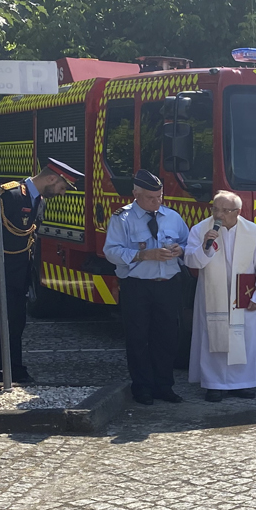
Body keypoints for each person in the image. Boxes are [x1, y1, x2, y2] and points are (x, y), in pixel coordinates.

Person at [0, 159, 81, 384]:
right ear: (51, 178)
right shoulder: (9, 194)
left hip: (21, 273)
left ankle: (14, 367)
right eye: (62, 187)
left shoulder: (39, 200)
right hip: (1, 270)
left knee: (16, 322)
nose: (62, 193)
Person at [103, 170, 189, 405]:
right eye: (151, 198)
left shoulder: (172, 217)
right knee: (138, 337)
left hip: (168, 285)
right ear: (136, 194)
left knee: (167, 338)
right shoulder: (122, 218)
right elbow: (111, 252)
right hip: (137, 286)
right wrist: (143, 254)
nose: (157, 202)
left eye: (160, 197)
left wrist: (180, 250)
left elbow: (187, 242)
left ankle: (165, 385)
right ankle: (142, 387)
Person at [184, 190, 256, 402]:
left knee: (245, 339)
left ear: (238, 212)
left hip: (244, 295)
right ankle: (214, 384)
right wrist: (206, 246)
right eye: (215, 209)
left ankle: (244, 383)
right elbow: (190, 262)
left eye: (225, 210)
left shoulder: (254, 232)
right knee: (215, 336)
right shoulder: (201, 229)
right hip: (213, 294)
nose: (219, 215)